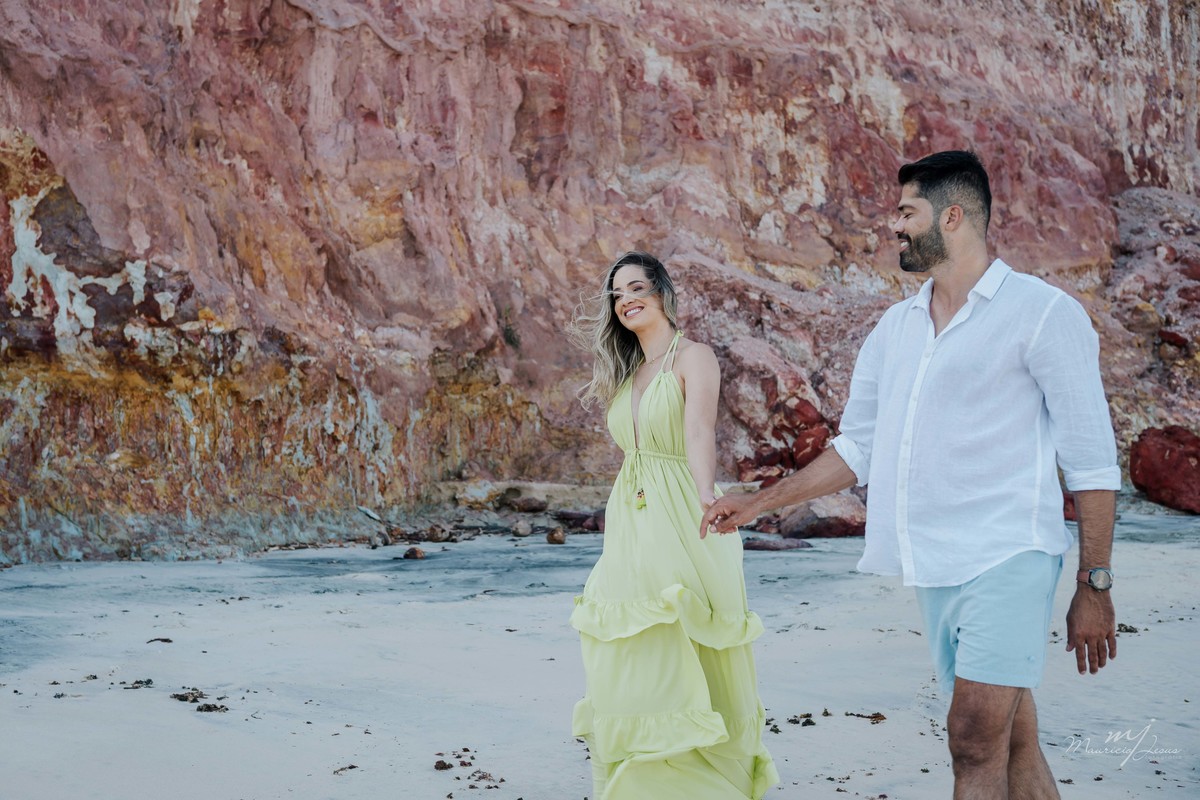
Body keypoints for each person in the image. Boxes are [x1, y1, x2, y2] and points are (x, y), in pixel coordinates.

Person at [701, 151, 1120, 799]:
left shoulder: (1043, 314)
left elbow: (1090, 459)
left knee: (972, 737)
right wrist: (760, 502)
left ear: (952, 217)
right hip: (933, 564)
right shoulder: (895, 328)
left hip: (1010, 553)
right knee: (1013, 742)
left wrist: (1094, 582)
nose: (893, 226)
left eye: (906, 212)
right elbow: (858, 449)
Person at [567, 251, 778, 800]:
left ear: (661, 292)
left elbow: (699, 432)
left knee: (684, 635)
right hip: (630, 523)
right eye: (617, 294)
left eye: (636, 287)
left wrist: (707, 494)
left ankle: (704, 783)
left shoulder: (694, 356)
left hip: (682, 512)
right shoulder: (627, 372)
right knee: (624, 641)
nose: (625, 300)